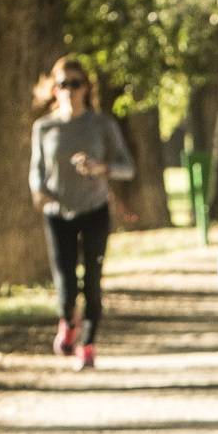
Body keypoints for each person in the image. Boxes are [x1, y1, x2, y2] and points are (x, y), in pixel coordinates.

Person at [30, 56, 136, 370]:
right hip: (57, 212)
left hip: (94, 210)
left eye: (76, 84)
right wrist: (38, 190)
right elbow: (35, 169)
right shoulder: (44, 127)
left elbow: (127, 168)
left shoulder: (102, 125)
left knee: (91, 280)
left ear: (86, 88)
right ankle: (67, 321)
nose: (69, 90)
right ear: (54, 88)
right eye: (63, 84)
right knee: (64, 281)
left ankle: (88, 344)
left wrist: (101, 167)